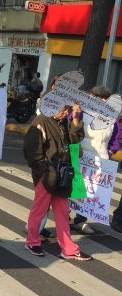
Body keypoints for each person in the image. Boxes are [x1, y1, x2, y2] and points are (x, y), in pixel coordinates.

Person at [23, 102, 92, 260]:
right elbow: (31, 152)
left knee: (62, 212)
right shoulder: (40, 122)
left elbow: (74, 140)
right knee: (39, 210)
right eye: (63, 109)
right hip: (47, 174)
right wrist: (43, 171)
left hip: (62, 174)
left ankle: (68, 248)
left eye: (67, 109)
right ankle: (32, 241)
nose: (65, 112)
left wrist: (75, 120)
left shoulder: (63, 122)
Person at [70, 86, 120, 234]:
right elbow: (71, 130)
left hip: (100, 162)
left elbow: (115, 140)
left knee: (91, 193)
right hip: (80, 157)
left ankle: (81, 220)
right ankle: (64, 215)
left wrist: (110, 152)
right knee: (74, 189)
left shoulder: (112, 120)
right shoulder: (81, 113)